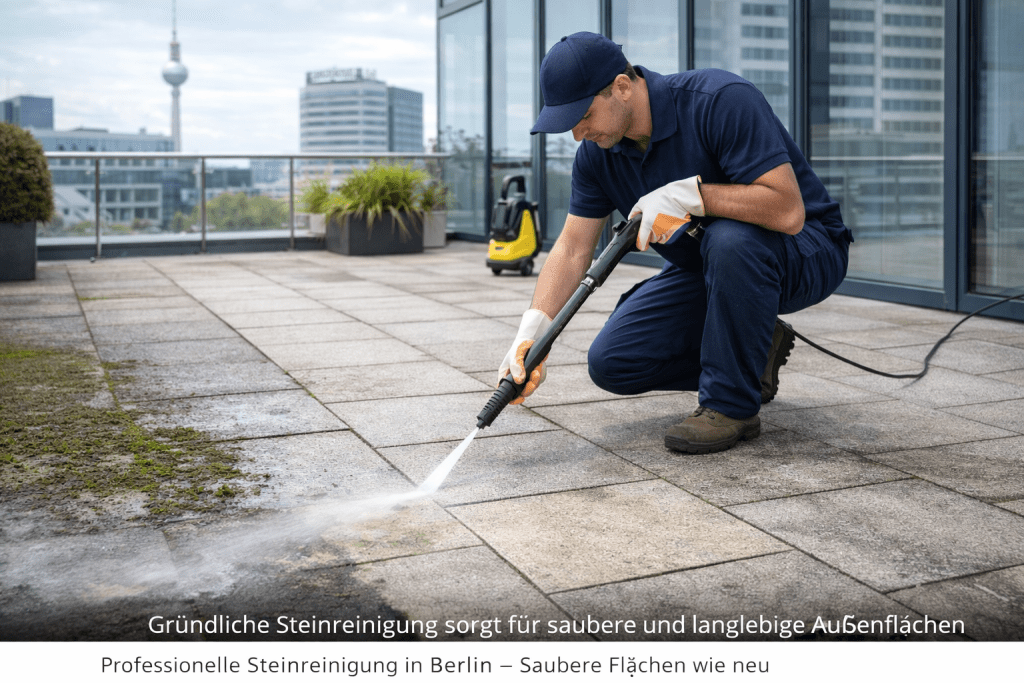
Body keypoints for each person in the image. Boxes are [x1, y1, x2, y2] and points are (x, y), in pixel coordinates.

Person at [497, 31, 852, 454]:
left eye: (584, 116)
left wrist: (696, 196)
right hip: (707, 266)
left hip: (806, 249)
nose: (578, 134)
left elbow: (788, 211)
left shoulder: (720, 100)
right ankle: (752, 346)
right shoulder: (598, 154)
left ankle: (731, 405)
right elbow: (573, 248)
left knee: (729, 237)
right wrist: (533, 334)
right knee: (613, 362)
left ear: (622, 88)